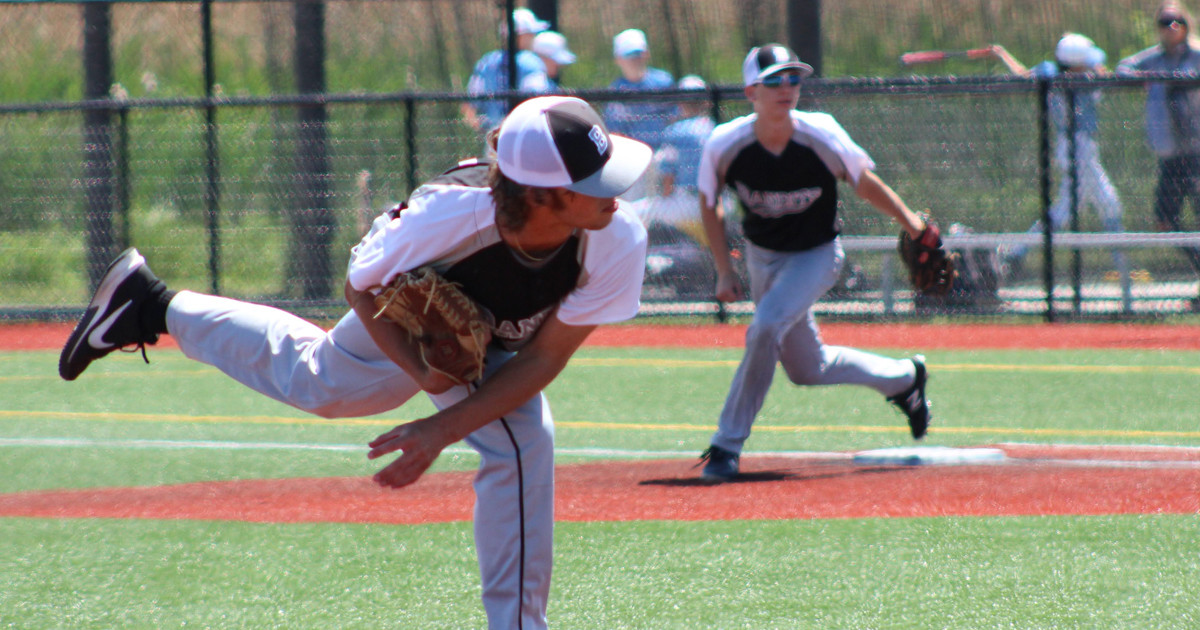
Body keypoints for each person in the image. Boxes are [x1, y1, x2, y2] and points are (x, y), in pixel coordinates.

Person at [58, 95, 653, 630]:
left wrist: (443, 426)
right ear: (541, 194)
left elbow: (545, 356)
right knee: (321, 382)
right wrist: (422, 371)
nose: (616, 191)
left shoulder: (616, 238)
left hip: (491, 348)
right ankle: (151, 305)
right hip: (407, 319)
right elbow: (360, 287)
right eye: (595, 180)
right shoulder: (446, 217)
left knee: (522, 438)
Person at [694, 44, 935, 483]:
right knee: (808, 369)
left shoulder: (820, 133)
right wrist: (724, 270)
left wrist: (913, 224)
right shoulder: (726, 143)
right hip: (763, 259)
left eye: (794, 78)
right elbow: (708, 204)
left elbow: (863, 182)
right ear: (751, 92)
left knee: (765, 327)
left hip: (816, 255)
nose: (787, 87)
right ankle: (905, 378)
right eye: (774, 80)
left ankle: (726, 445)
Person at [991, 35, 1132, 306]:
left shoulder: (1056, 72)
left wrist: (1003, 54)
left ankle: (1017, 251)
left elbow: (1025, 74)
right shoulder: (1065, 76)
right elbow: (1027, 76)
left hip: (1076, 148)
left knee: (1074, 210)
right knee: (1108, 206)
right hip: (1078, 148)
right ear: (1073, 65)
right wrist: (1001, 54)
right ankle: (1126, 285)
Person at [1117, 1, 1200, 296]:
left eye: (1177, 21)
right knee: (1164, 220)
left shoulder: (1196, 55)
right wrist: (1147, 79)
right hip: (1171, 153)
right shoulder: (1154, 59)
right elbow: (1123, 68)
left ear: (1186, 25)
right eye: (1165, 22)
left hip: (1197, 152)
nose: (1171, 27)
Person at [638, 74, 715, 245]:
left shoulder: (675, 131)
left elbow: (668, 181)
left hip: (687, 203)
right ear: (706, 102)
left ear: (680, 103)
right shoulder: (715, 129)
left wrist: (665, 201)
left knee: (634, 212)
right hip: (718, 205)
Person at [462, 8, 554, 133]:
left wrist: (486, 130)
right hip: (522, 133)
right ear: (520, 36)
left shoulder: (487, 62)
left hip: (493, 135)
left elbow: (469, 106)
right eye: (531, 34)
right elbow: (537, 101)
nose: (533, 38)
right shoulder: (531, 62)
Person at [604, 28, 677, 154]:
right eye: (628, 55)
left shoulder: (663, 81)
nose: (634, 59)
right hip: (633, 154)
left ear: (646, 54)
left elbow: (675, 118)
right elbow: (615, 133)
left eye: (637, 53)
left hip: (665, 151)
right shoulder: (615, 91)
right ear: (618, 59)